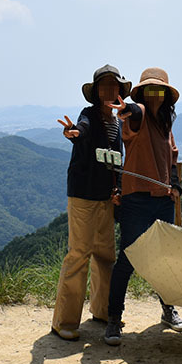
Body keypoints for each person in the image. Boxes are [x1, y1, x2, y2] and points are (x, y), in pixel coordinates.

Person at [103, 67, 182, 345]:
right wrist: (126, 107)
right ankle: (113, 319)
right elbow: (133, 112)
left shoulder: (165, 124)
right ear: (141, 93)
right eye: (150, 90)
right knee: (128, 260)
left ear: (166, 95)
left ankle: (167, 310)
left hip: (162, 199)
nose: (155, 95)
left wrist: (174, 183)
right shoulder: (136, 115)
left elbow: (172, 156)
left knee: (164, 259)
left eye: (160, 90)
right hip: (136, 198)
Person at [51, 65, 130, 341]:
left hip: (106, 197)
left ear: (120, 91)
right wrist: (73, 133)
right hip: (84, 195)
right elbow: (81, 130)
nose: (109, 91)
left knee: (105, 255)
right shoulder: (88, 115)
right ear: (96, 92)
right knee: (79, 254)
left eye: (113, 86)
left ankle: (102, 310)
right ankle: (64, 321)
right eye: (104, 87)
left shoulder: (119, 121)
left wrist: (117, 189)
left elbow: (117, 162)